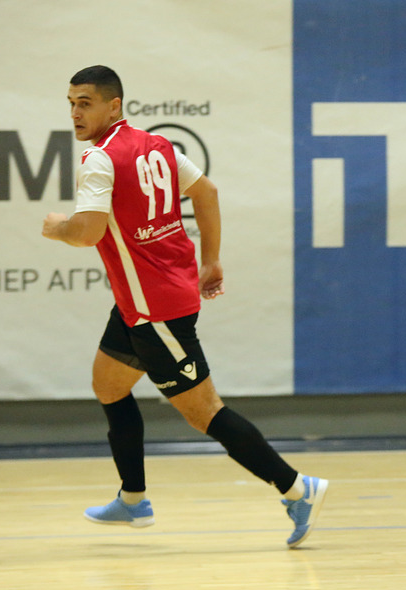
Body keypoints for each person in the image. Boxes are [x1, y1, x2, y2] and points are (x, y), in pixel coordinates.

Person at [42, 65, 328, 549]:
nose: (75, 113)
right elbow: (207, 192)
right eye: (71, 103)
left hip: (156, 310)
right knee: (108, 385)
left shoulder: (99, 158)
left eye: (85, 103)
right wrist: (210, 260)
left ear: (114, 105)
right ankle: (133, 500)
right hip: (142, 302)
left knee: (204, 413)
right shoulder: (155, 145)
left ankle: (298, 489)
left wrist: (57, 227)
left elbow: (87, 232)